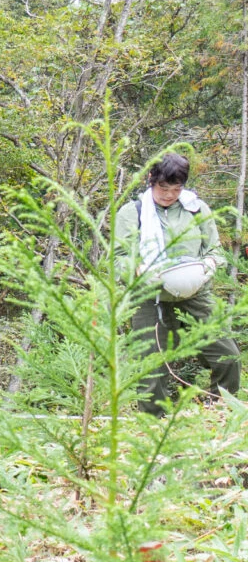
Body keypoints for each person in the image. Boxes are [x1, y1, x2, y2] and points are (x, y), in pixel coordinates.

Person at [113, 152, 239, 414]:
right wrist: (137, 268)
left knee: (227, 355)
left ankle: (219, 413)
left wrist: (209, 267)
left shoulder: (196, 208)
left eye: (176, 189)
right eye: (163, 188)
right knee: (151, 369)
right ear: (150, 180)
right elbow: (118, 258)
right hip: (150, 297)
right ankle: (154, 429)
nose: (169, 195)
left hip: (196, 293)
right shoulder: (132, 212)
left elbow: (214, 250)